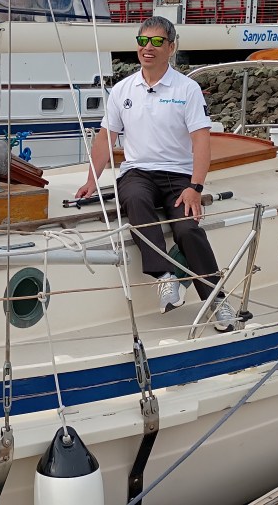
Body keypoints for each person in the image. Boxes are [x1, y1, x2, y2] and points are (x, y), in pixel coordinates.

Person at [75, 16, 237, 332]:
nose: (148, 48)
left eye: (157, 42)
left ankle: (217, 301)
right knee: (135, 199)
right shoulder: (122, 90)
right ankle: (164, 277)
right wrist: (91, 180)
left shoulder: (187, 89)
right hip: (138, 172)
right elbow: (105, 137)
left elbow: (201, 142)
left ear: (171, 47)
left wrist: (196, 187)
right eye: (143, 41)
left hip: (178, 176)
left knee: (188, 230)